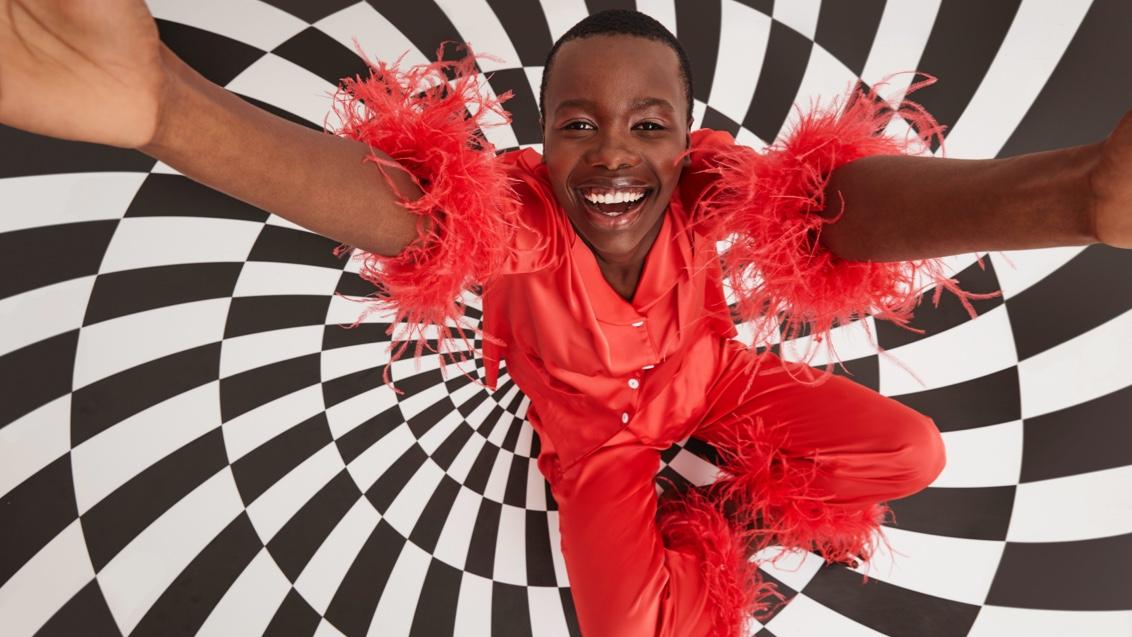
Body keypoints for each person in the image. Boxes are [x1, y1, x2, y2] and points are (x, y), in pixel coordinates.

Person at [2, 4, 1128, 637]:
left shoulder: (706, 187)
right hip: (592, 444)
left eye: (647, 124)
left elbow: (839, 209)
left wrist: (1073, 195)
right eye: (577, 123)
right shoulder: (520, 219)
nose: (613, 154)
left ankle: (727, 510)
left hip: (717, 387)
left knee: (910, 449)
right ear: (540, 137)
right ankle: (702, 528)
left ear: (687, 136)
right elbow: (381, 204)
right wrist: (165, 109)